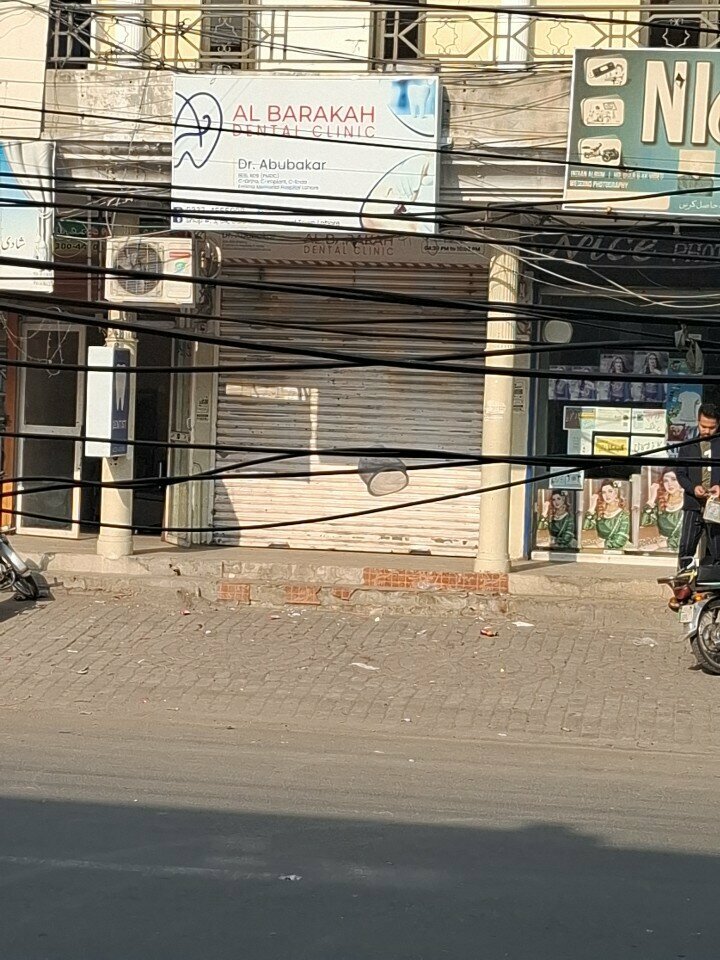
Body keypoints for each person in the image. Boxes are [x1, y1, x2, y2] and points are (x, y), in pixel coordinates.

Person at [675, 403, 720, 569]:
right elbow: (680, 473)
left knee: (717, 549)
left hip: (716, 505)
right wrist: (693, 488)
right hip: (693, 505)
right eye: (703, 426)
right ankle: (683, 585)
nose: (707, 431)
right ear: (697, 421)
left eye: (712, 427)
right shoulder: (688, 446)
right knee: (686, 547)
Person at [640, 467, 683, 552]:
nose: (670, 484)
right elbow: (645, 523)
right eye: (666, 481)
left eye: (674, 479)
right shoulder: (662, 503)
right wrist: (652, 498)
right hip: (662, 550)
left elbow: (687, 535)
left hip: (681, 549)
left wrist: (660, 544)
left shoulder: (687, 503)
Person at [583, 479, 631, 550]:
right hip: (599, 548)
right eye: (604, 492)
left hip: (617, 549)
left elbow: (621, 538)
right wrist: (592, 507)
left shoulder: (623, 515)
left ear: (616, 493)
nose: (607, 495)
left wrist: (605, 544)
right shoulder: (600, 512)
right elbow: (586, 528)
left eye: (610, 491)